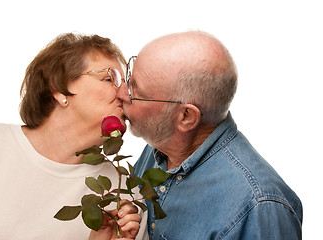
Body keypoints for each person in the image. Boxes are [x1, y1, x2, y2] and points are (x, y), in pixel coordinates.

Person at [117, 31, 303, 239]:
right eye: (129, 78)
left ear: (186, 116)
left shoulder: (259, 207)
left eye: (135, 90)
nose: (121, 92)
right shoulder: (161, 144)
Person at [0, 33, 147, 240]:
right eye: (109, 78)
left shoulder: (124, 199)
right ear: (60, 89)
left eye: (125, 84)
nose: (124, 93)